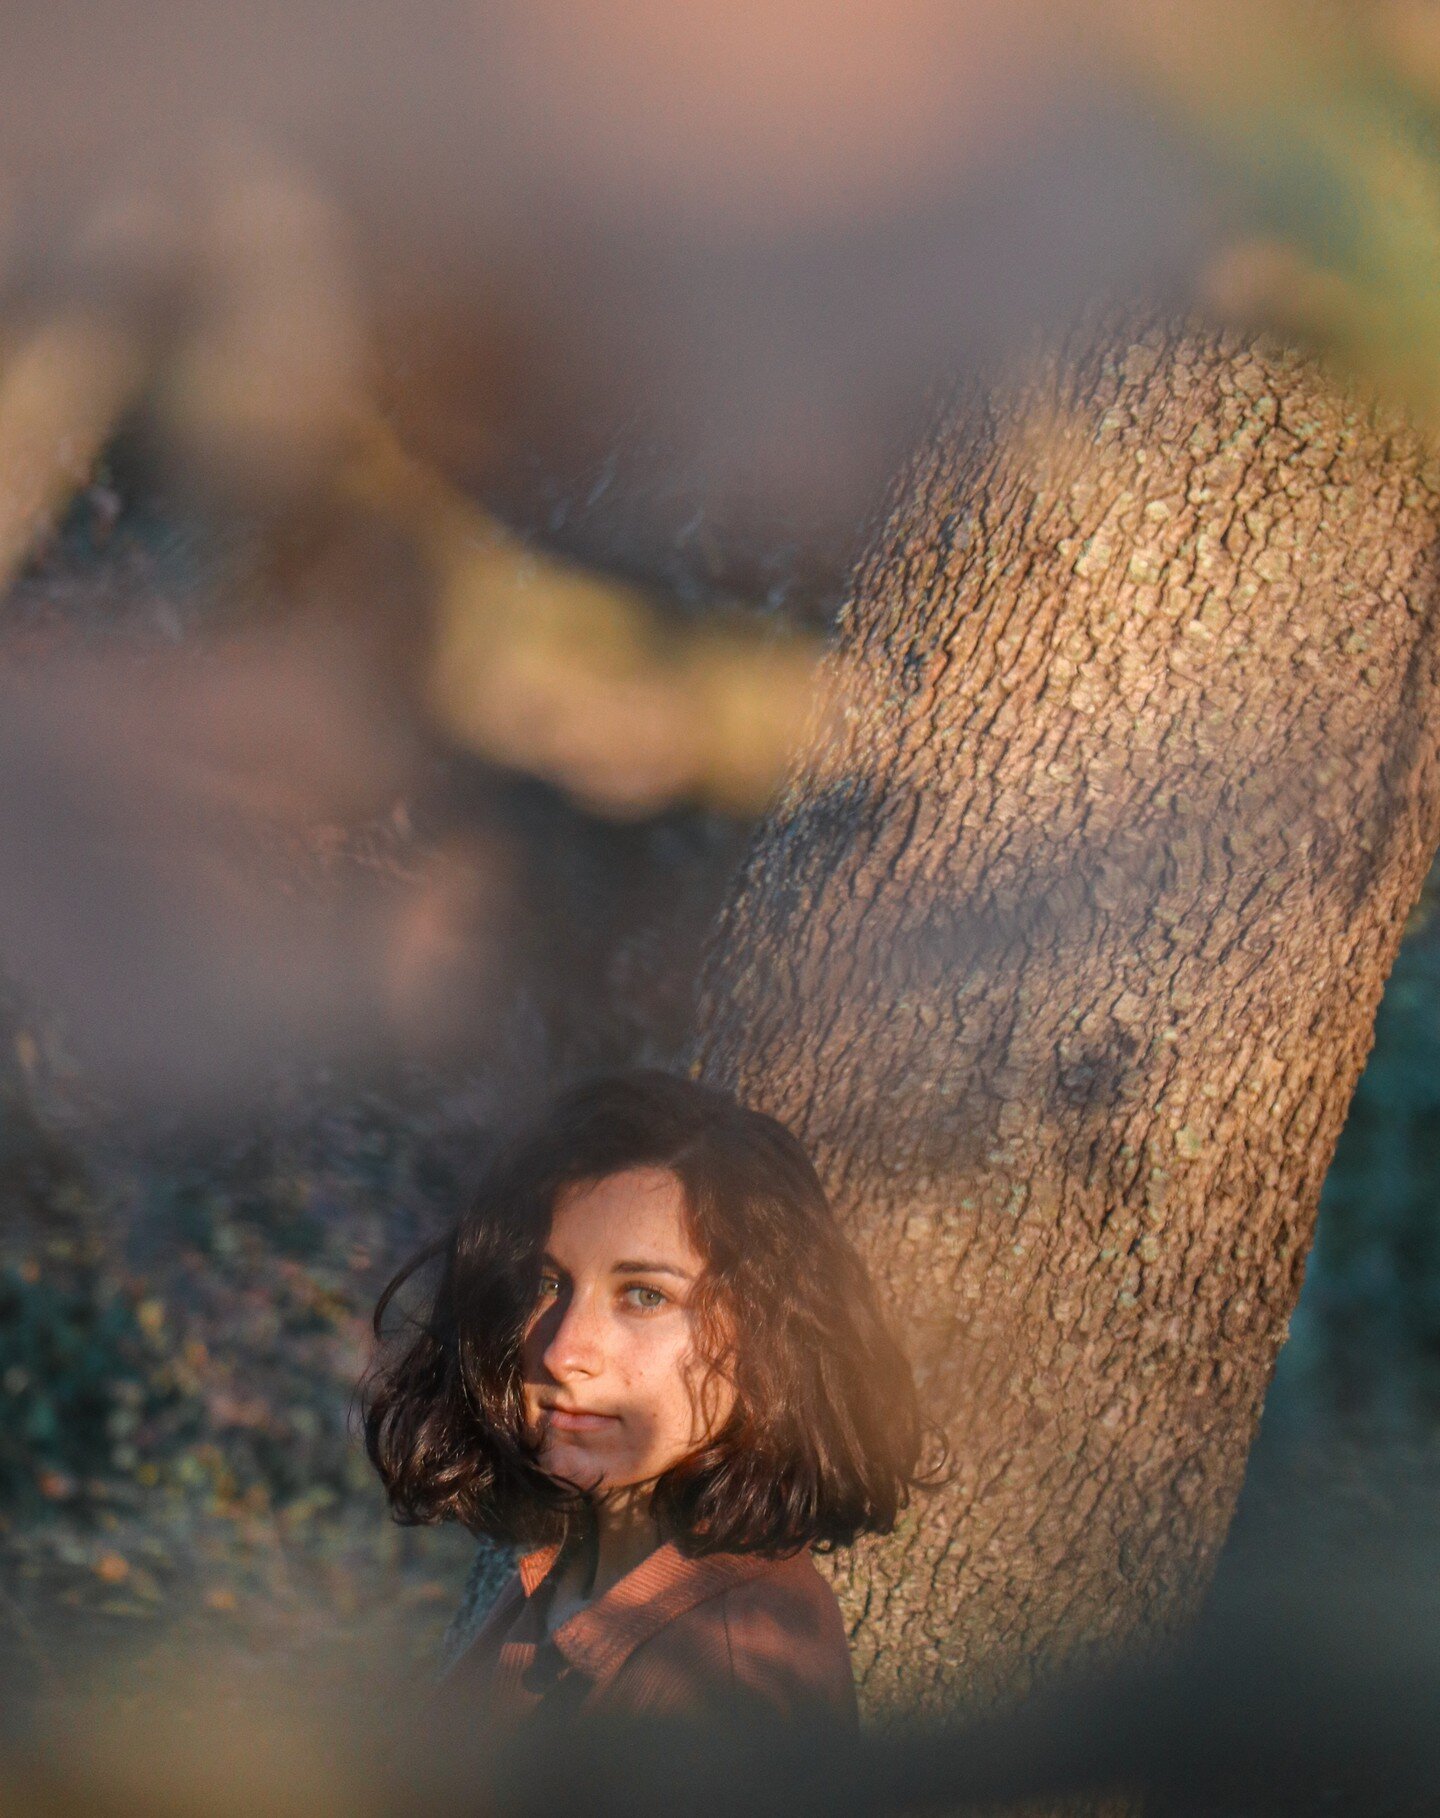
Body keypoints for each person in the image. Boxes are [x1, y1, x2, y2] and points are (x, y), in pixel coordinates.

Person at [361, 1069, 937, 1733]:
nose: (562, 1351)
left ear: (770, 1343)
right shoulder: (574, 1572)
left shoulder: (731, 1680)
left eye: (645, 1295)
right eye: (547, 1283)